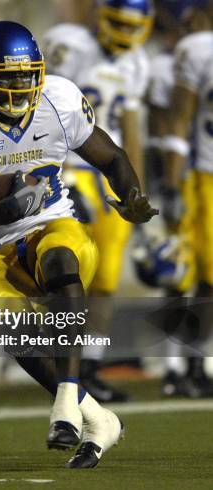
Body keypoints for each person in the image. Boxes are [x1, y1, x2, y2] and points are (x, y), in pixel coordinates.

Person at [0, 21, 157, 468]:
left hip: (56, 224)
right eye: (6, 75)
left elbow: (113, 157)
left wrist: (131, 197)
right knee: (12, 328)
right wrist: (2, 212)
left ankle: (67, 403)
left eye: (26, 74)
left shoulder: (60, 98)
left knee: (61, 260)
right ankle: (96, 416)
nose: (19, 84)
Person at [42, 0, 153, 403]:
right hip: (70, 166)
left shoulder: (138, 62)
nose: (124, 34)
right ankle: (54, 364)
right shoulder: (68, 44)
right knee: (67, 273)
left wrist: (136, 189)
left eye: (132, 25)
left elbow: (130, 129)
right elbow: (43, 109)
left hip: (108, 172)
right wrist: (57, 173)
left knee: (105, 279)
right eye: (118, 23)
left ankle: (90, 366)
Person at [162, 5, 213, 397]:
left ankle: (197, 363)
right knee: (187, 270)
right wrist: (174, 181)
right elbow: (179, 119)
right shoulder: (199, 46)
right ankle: (180, 363)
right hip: (204, 175)